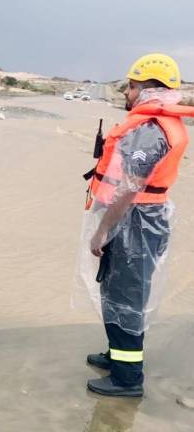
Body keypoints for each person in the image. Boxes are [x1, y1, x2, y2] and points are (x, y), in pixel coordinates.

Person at [81, 53, 194, 397]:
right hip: (144, 220)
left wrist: (102, 230)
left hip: (135, 223)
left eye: (131, 87)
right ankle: (117, 356)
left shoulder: (149, 130)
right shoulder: (159, 124)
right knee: (117, 291)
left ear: (147, 89)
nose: (127, 94)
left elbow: (130, 187)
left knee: (126, 296)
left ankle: (127, 378)